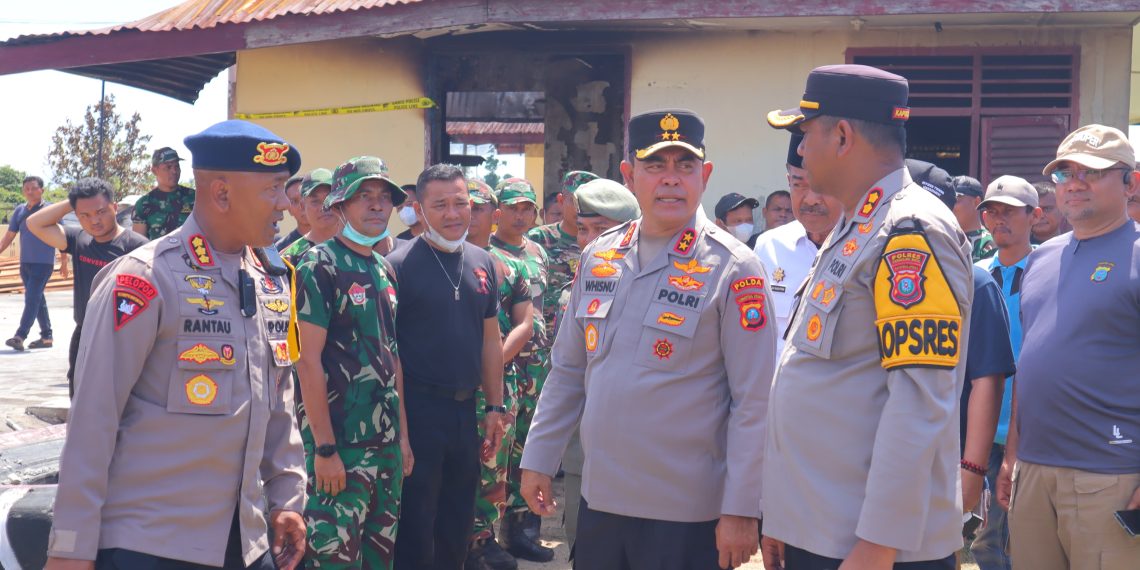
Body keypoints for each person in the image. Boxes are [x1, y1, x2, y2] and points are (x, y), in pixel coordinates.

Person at [44, 119, 308, 570]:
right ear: (221, 194)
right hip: (151, 544)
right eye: (274, 189)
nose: (286, 203)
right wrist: (70, 547)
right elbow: (93, 417)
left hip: (246, 542)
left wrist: (287, 496)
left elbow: (279, 398)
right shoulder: (145, 279)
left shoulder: (269, 278)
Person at [520, 109, 777, 570]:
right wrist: (539, 456)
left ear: (706, 174)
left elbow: (754, 401)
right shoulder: (600, 255)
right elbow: (569, 371)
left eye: (685, 166)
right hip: (601, 501)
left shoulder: (734, 268)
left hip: (685, 513)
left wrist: (741, 508)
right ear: (629, 174)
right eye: (656, 166)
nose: (671, 180)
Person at [762, 65, 972, 570]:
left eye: (805, 133)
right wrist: (783, 516)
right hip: (823, 526)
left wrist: (879, 542)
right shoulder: (858, 221)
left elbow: (920, 401)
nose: (801, 149)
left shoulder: (908, 230)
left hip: (872, 547)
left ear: (841, 136)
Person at [997, 124, 1140, 570]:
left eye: (1092, 172)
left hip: (1111, 474)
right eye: (1064, 173)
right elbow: (1031, 364)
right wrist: (1012, 456)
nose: (1075, 182)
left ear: (1129, 181)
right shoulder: (1041, 258)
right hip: (1034, 472)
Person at [294, 156, 412, 569]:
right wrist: (324, 448)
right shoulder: (318, 265)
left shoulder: (382, 269)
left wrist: (403, 438)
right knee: (332, 560)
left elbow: (392, 356)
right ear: (340, 206)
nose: (377, 206)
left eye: (384, 198)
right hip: (340, 448)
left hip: (385, 450)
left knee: (380, 560)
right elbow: (307, 361)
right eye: (365, 197)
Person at [389, 164, 506, 570]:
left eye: (461, 204)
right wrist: (403, 432)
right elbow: (394, 355)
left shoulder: (483, 262)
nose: (453, 214)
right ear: (420, 210)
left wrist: (495, 407)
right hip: (419, 411)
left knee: (458, 523)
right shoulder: (399, 265)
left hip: (465, 411)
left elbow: (491, 340)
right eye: (440, 205)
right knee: (417, 527)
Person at [908, 160, 1016, 551]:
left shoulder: (975, 281)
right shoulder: (882, 272)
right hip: (883, 453)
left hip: (946, 457)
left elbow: (987, 379)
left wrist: (972, 468)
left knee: (938, 552)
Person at [554, 177, 641, 550]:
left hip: (648, 458)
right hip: (584, 452)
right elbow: (565, 374)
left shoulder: (668, 284)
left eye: (601, 229)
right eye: (582, 229)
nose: (587, 240)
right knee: (583, 545)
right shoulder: (575, 291)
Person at [966, 174, 1041, 570]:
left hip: (1031, 428)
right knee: (983, 538)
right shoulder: (973, 273)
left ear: (1036, 216)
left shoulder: (1052, 270)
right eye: (991, 212)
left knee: (1024, 539)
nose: (999, 220)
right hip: (979, 426)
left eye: (1009, 211)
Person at [464, 179, 534, 570]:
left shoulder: (508, 267)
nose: (470, 216)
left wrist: (491, 367)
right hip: (450, 388)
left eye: (479, 209)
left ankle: (484, 540)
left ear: (494, 216)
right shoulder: (439, 260)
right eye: (466, 207)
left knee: (495, 463)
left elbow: (525, 323)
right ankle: (458, 540)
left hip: (494, 386)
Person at [25, 177, 147, 397]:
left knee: (123, 408)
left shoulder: (137, 247)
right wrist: (74, 201)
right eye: (85, 215)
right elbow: (34, 223)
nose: (94, 221)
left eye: (100, 211)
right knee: (80, 402)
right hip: (85, 334)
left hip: (123, 340)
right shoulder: (79, 240)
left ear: (115, 207)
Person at [487, 179, 554, 563]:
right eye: (513, 207)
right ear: (498, 211)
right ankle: (488, 535)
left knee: (530, 450)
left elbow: (539, 309)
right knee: (499, 456)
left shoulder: (538, 252)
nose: (520, 214)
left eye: (527, 208)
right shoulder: (486, 253)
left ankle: (523, 530)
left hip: (537, 368)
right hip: (504, 369)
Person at [753, 133, 843, 354]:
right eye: (799, 184)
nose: (811, 199)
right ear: (788, 182)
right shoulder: (769, 246)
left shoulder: (868, 245)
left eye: (822, 184)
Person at [527, 170, 599, 340]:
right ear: (561, 200)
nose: (582, 208)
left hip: (586, 338)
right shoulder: (539, 239)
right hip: (544, 341)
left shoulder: (606, 241)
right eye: (575, 201)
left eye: (590, 201)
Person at [1, 175, 65, 352]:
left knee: (31, 299)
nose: (29, 192)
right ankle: (46, 336)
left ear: (42, 190)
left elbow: (63, 237)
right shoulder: (19, 211)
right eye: (26, 188)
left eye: (33, 188)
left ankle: (20, 336)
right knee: (37, 298)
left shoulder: (51, 210)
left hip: (43, 263)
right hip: (25, 263)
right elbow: (9, 236)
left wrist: (64, 262)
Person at [280, 168, 342, 264]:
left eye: (329, 198)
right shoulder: (289, 259)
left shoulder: (361, 247)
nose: (323, 207)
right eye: (315, 201)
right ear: (303, 206)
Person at [132, 147, 196, 239]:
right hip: (157, 253)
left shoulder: (194, 198)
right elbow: (139, 245)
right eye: (168, 167)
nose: (174, 171)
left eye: (176, 166)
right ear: (154, 170)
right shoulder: (143, 204)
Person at [950, 175, 997, 262]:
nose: (950, 205)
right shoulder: (946, 240)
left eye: (956, 199)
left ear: (976, 202)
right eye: (948, 200)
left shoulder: (989, 244)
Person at [274, 175, 309, 250]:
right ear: (289, 209)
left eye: (305, 197)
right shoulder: (281, 249)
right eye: (295, 201)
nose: (301, 206)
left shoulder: (335, 241)